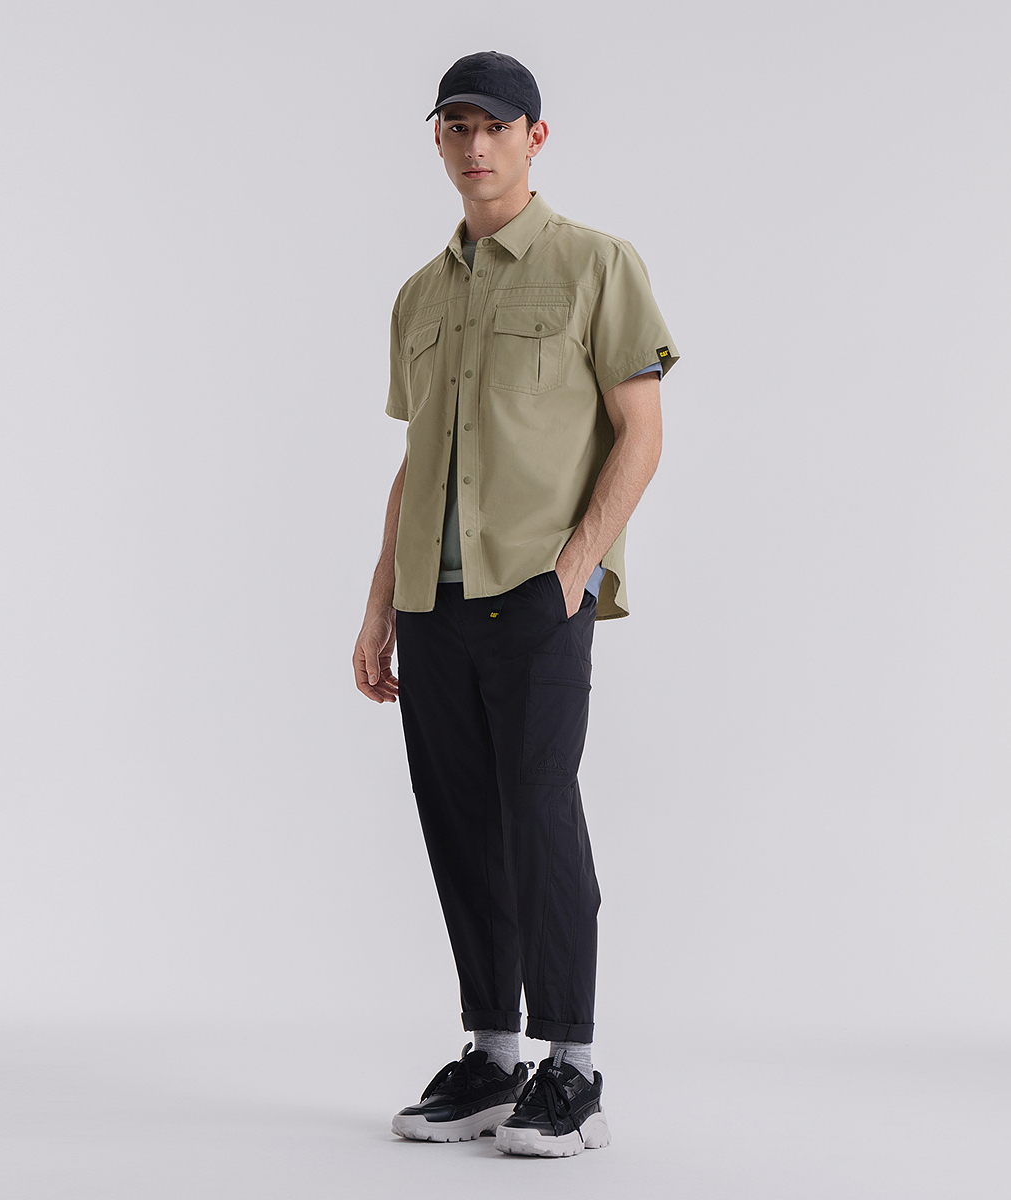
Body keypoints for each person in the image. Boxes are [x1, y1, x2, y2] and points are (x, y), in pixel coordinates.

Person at [352, 50, 678, 1158]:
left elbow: (641, 431)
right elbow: (417, 458)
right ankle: (493, 1055)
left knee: (539, 815)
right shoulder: (420, 294)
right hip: (432, 603)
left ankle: (571, 1068)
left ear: (536, 138)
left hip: (536, 592)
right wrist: (381, 604)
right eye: (457, 126)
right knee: (458, 824)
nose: (476, 144)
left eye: (496, 126)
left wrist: (575, 568)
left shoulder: (597, 264)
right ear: (439, 141)